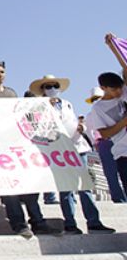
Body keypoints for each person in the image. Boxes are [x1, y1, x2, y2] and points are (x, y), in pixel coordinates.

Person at [0, 61, 60, 238]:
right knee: (8, 188)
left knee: (30, 188)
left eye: (2, 71)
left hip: (17, 146)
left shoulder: (11, 93)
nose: (0, 75)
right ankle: (18, 224)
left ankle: (38, 222)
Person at [28, 74, 115, 234]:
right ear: (42, 90)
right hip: (58, 151)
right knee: (66, 188)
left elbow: (72, 121)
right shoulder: (38, 107)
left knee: (85, 187)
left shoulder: (67, 104)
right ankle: (70, 223)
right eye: (48, 86)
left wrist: (81, 126)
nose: (52, 89)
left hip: (77, 147)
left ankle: (94, 222)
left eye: (55, 86)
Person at [89, 33, 127, 203]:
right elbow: (104, 134)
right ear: (103, 88)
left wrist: (113, 48)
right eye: (114, 90)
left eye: (120, 88)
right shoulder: (98, 109)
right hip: (122, 152)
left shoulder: (124, 92)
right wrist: (124, 122)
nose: (118, 93)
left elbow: (126, 68)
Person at [85, 86, 126, 202]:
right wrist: (96, 144)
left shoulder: (119, 105)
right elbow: (90, 131)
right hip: (105, 143)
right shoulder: (91, 114)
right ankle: (119, 198)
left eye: (98, 98)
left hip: (119, 139)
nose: (96, 101)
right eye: (93, 99)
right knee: (110, 172)